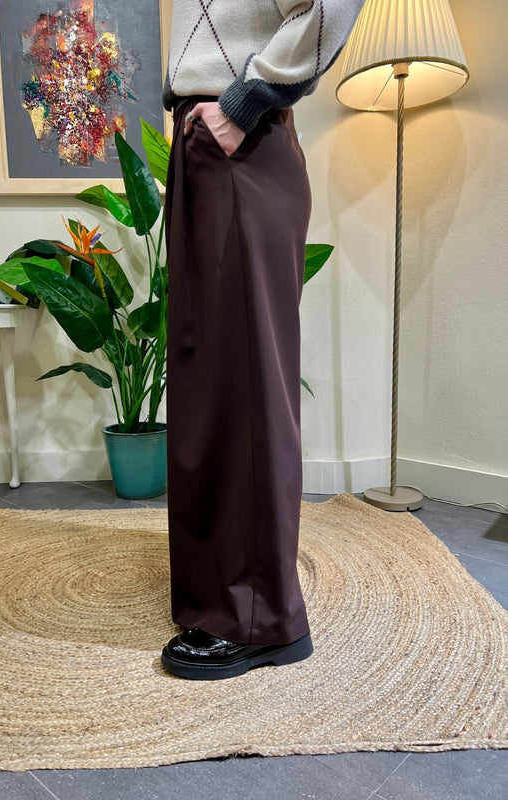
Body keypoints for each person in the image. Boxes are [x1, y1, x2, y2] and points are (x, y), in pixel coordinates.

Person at [160, 0, 365, 681]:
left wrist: (244, 101)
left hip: (243, 144)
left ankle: (261, 619)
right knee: (208, 380)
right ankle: (215, 594)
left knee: (248, 384)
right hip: (206, 145)